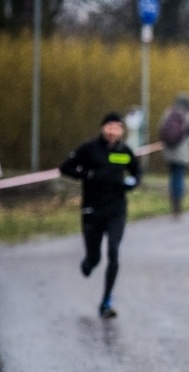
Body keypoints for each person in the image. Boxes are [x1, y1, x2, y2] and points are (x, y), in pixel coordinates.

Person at [59, 112, 141, 318]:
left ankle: (106, 301)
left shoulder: (125, 151)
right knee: (94, 257)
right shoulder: (89, 149)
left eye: (117, 127)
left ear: (122, 130)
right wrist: (87, 174)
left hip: (116, 211)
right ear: (103, 128)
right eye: (109, 126)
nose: (113, 131)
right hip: (92, 210)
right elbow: (65, 167)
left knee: (113, 251)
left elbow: (136, 172)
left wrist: (132, 183)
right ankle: (88, 263)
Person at [159, 93, 189, 217]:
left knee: (172, 177)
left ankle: (172, 202)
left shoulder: (168, 112)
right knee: (179, 177)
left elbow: (160, 127)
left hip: (169, 151)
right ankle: (178, 205)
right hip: (182, 152)